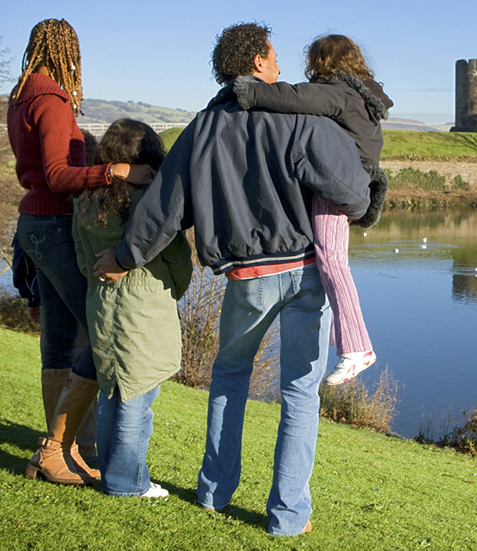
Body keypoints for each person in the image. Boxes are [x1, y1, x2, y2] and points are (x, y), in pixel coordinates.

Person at [92, 22, 370, 536]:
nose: (283, 68)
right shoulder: (301, 120)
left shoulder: (202, 128)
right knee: (300, 394)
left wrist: (126, 255)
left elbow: (164, 208)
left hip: (246, 277)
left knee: (228, 379)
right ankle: (288, 517)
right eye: (276, 57)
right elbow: (352, 192)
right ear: (260, 63)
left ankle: (213, 494)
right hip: (306, 273)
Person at [8, 18, 155, 486]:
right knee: (98, 331)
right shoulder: (50, 100)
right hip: (52, 223)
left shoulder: (21, 96)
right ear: (67, 51)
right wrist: (114, 172)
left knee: (56, 341)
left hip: (33, 224)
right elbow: (56, 175)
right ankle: (59, 449)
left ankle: (67, 451)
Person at [233, 34, 393, 385]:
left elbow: (296, 96)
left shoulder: (340, 92)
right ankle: (344, 337)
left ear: (322, 61)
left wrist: (249, 90)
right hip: (345, 180)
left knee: (332, 258)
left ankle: (358, 349)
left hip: (339, 183)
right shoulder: (357, 93)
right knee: (329, 257)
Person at [74, 119, 192, 498]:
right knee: (137, 399)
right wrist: (174, 288)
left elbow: (80, 259)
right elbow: (177, 256)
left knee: (112, 393)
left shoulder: (86, 202)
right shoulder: (149, 204)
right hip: (144, 307)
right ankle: (128, 483)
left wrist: (100, 277)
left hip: (101, 306)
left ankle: (112, 474)